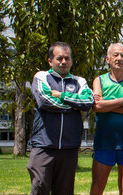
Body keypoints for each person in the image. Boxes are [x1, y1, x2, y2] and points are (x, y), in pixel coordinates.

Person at [28, 41, 94, 194]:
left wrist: (61, 96)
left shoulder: (79, 81)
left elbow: (88, 102)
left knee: (65, 191)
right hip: (43, 147)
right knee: (39, 188)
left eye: (67, 58)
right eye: (59, 58)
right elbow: (44, 101)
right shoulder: (41, 77)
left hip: (69, 148)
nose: (64, 62)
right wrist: (74, 104)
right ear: (50, 61)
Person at [91, 43, 123, 194]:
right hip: (104, 142)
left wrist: (107, 104)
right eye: (115, 55)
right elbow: (97, 107)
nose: (119, 58)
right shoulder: (99, 80)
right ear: (108, 59)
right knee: (97, 187)